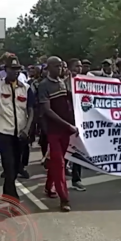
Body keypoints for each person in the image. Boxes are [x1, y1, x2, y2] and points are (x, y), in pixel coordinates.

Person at [0, 55, 35, 201]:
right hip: (4, 132)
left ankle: (7, 191)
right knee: (8, 165)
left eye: (17, 69)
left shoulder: (25, 88)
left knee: (16, 165)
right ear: (5, 70)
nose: (15, 72)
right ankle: (12, 196)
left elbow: (31, 110)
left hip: (20, 133)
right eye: (11, 69)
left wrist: (27, 129)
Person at [38, 56, 76, 211]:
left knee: (60, 162)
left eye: (61, 66)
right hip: (54, 130)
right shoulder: (44, 86)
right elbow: (47, 110)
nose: (60, 68)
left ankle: (49, 186)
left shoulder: (63, 82)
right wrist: (67, 125)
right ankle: (64, 199)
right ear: (49, 67)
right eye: (57, 66)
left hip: (66, 130)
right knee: (59, 164)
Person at [64, 58, 87, 191]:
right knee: (66, 151)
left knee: (78, 151)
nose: (79, 68)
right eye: (76, 66)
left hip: (80, 121)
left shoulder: (85, 82)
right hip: (67, 120)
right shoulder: (64, 83)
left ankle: (76, 179)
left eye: (80, 66)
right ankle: (57, 179)